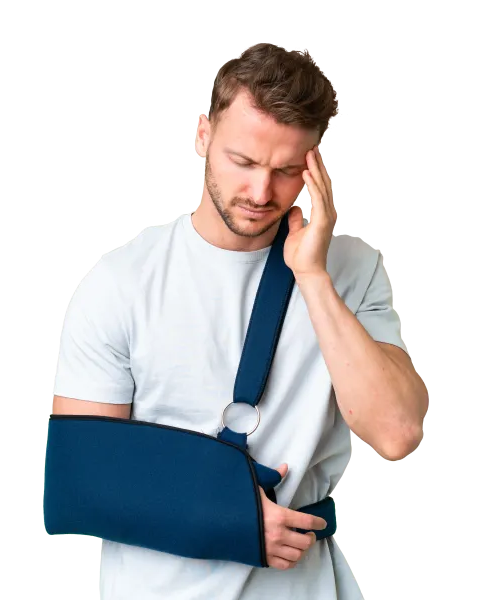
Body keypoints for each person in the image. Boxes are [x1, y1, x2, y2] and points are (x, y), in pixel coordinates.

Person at [51, 42, 428, 600]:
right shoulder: (119, 281)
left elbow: (397, 435)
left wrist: (313, 277)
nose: (259, 192)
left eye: (284, 171)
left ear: (315, 164)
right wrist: (226, 516)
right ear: (202, 135)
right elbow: (83, 480)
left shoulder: (352, 268)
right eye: (243, 162)